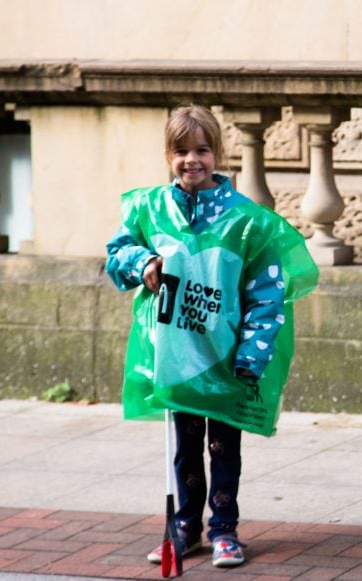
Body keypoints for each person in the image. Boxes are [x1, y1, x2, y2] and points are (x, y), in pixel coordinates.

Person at [105, 104, 317, 568]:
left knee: (224, 447)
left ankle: (224, 529)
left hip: (224, 356)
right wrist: (142, 263)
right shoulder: (149, 209)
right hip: (174, 357)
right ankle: (185, 526)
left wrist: (252, 353)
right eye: (181, 151)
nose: (192, 160)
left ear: (218, 153)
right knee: (183, 448)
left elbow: (268, 291)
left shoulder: (247, 221)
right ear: (168, 155)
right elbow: (117, 254)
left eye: (202, 150)